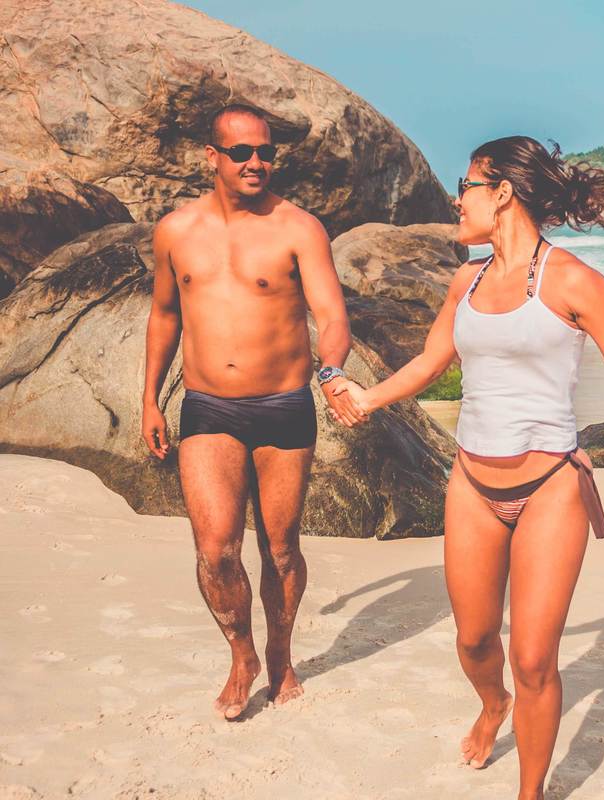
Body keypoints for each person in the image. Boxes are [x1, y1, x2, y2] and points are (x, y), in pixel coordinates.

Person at [335, 135, 604, 800]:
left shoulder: (575, 282)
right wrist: (367, 395)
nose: (454, 198)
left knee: (534, 659)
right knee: (474, 642)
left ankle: (530, 793)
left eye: (465, 185)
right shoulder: (464, 280)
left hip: (551, 486)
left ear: (501, 192)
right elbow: (430, 361)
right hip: (471, 484)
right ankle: (490, 703)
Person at [140, 103, 367, 720]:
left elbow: (332, 314)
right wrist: (150, 400)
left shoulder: (299, 228)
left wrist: (331, 368)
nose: (256, 162)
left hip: (284, 406)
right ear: (211, 157)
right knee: (216, 550)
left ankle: (282, 652)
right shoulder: (175, 231)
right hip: (208, 407)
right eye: (241, 152)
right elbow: (164, 316)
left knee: (282, 549)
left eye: (265, 151)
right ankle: (242, 654)